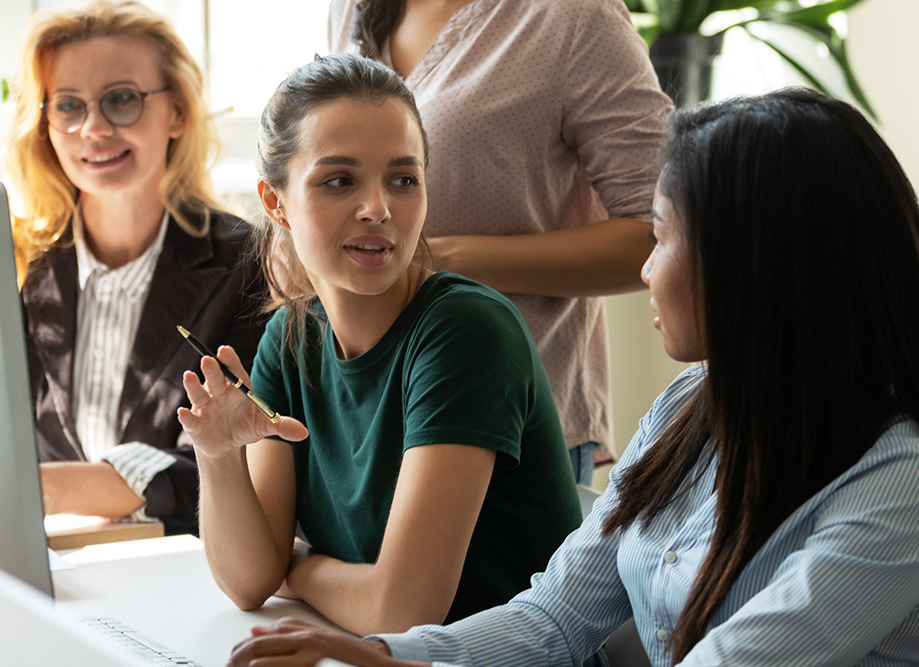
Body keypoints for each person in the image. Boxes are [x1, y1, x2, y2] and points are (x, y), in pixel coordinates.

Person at [226, 88, 919, 666]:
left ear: (758, 266)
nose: (645, 268)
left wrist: (317, 583)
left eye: (663, 234)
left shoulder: (898, 480)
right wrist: (386, 656)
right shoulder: (686, 409)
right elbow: (555, 616)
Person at [177, 53, 582, 637]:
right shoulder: (289, 341)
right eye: (339, 180)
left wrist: (299, 568)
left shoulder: (465, 331)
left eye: (403, 179)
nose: (378, 208)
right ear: (274, 202)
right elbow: (246, 582)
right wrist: (216, 459)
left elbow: (401, 610)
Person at [328, 0, 674, 484]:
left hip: (503, 418)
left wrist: (440, 260)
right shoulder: (352, 7)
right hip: (364, 412)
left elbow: (659, 230)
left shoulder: (573, 16)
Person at [6, 0, 266, 536]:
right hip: (49, 567)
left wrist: (36, 489)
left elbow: (241, 466)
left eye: (121, 99)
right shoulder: (19, 265)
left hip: (184, 574)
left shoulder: (249, 264)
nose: (94, 128)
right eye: (68, 106)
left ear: (176, 111)